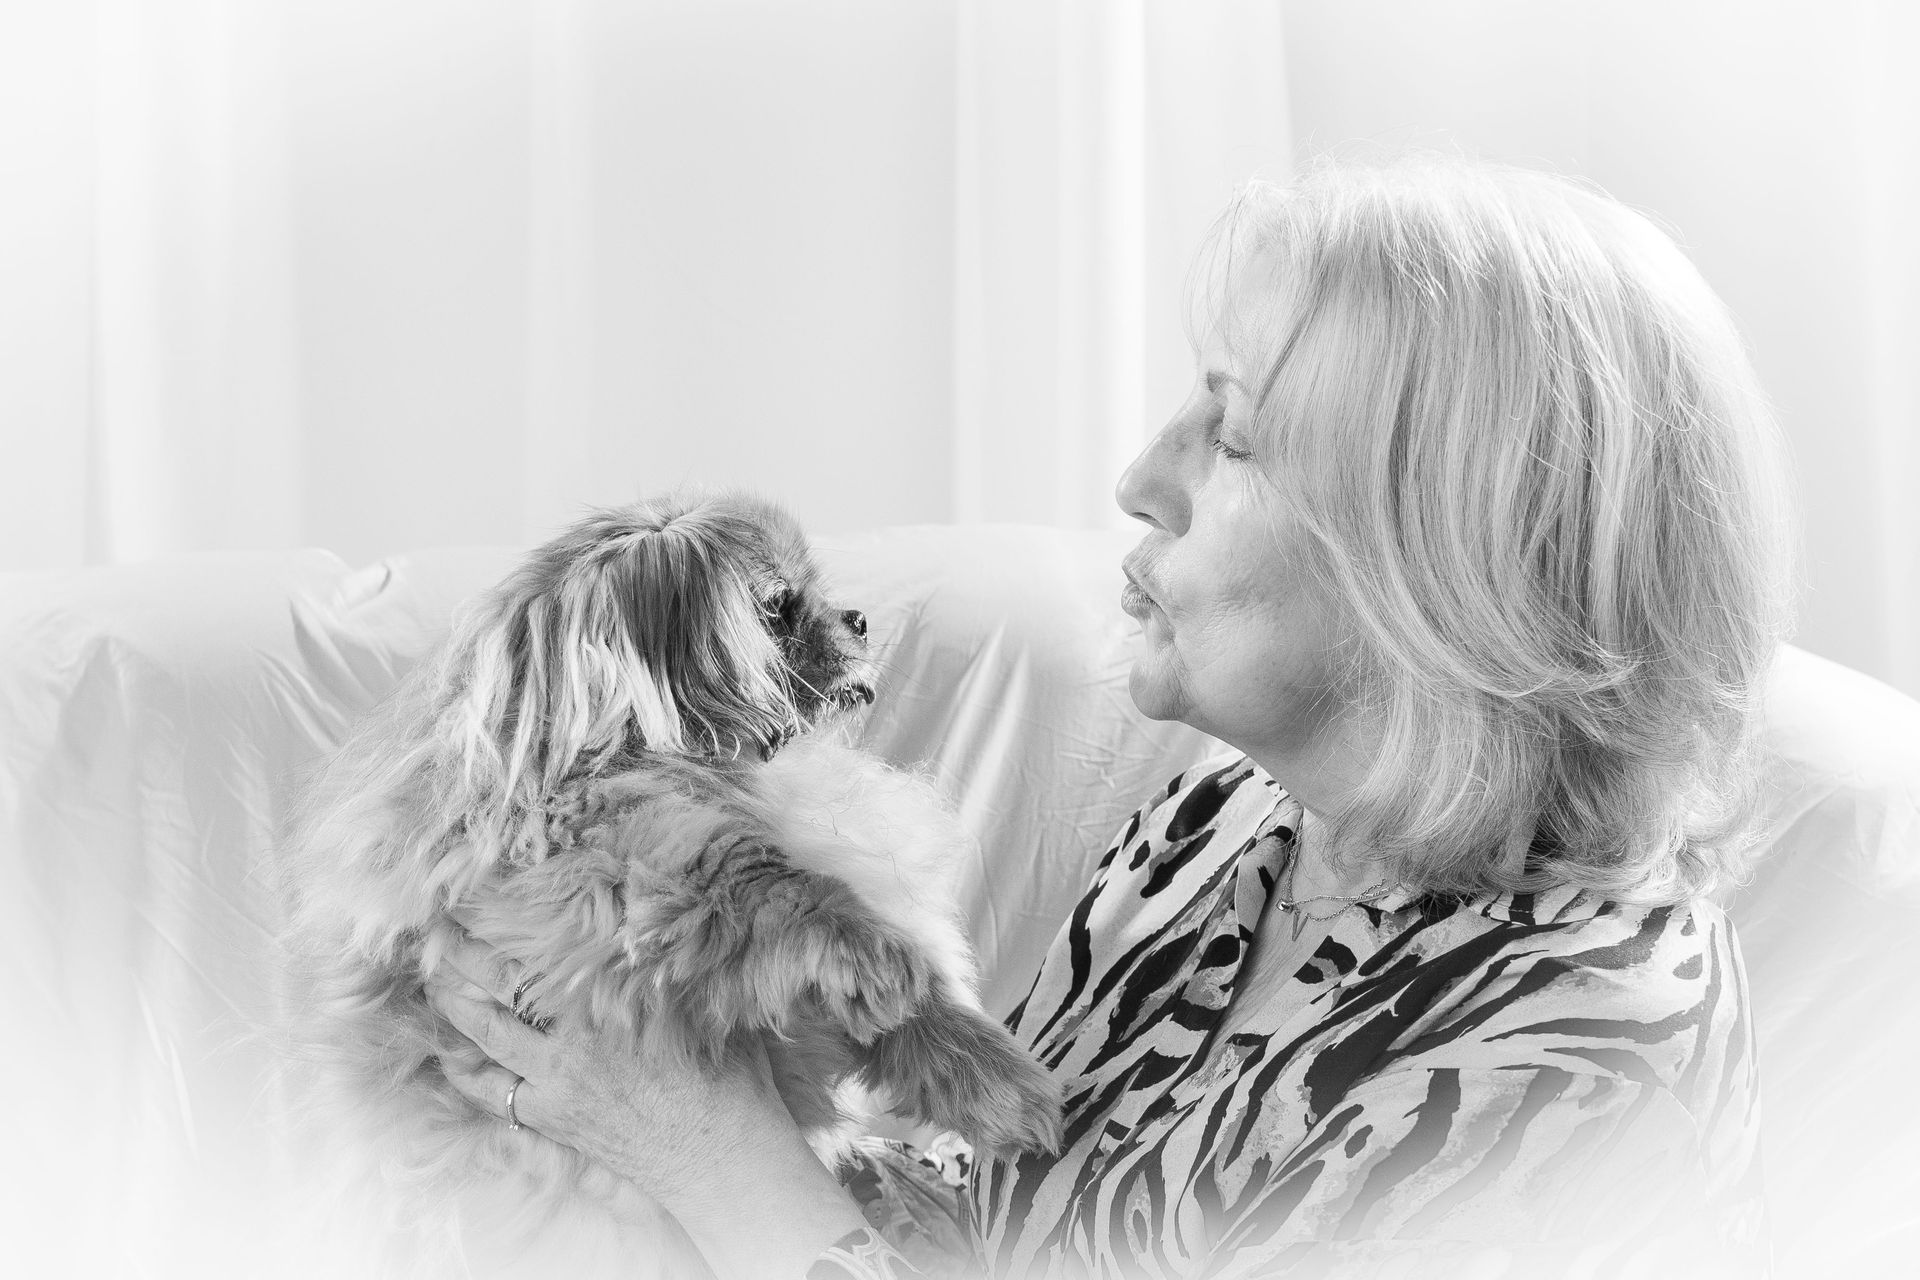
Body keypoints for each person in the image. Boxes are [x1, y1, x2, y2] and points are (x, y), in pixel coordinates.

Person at [424, 156, 1788, 1279]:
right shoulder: (1236, 827)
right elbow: (991, 1220)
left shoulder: (1568, 1075)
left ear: (1436, 568)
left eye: (1234, 436)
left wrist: (707, 1153)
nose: (1141, 475)